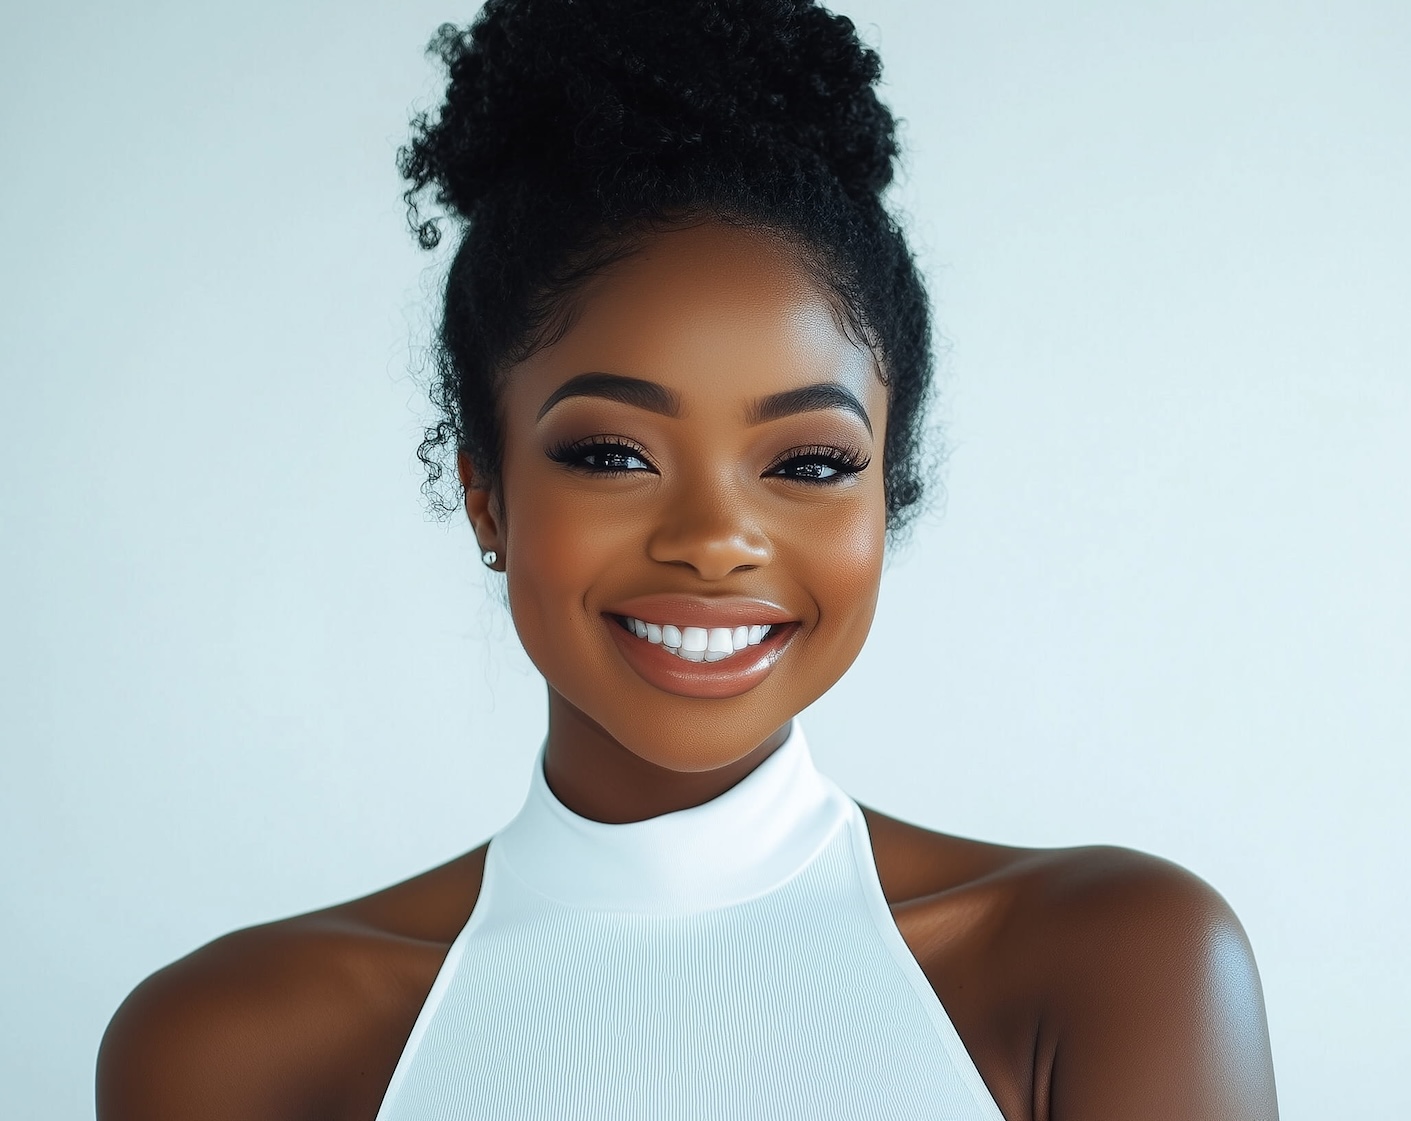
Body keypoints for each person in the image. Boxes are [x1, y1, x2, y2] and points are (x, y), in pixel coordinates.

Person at [95, 1, 1279, 1117]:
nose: (714, 539)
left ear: (886, 493)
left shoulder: (1114, 960)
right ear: (485, 493)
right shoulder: (236, 1042)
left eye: (807, 461)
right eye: (612, 453)